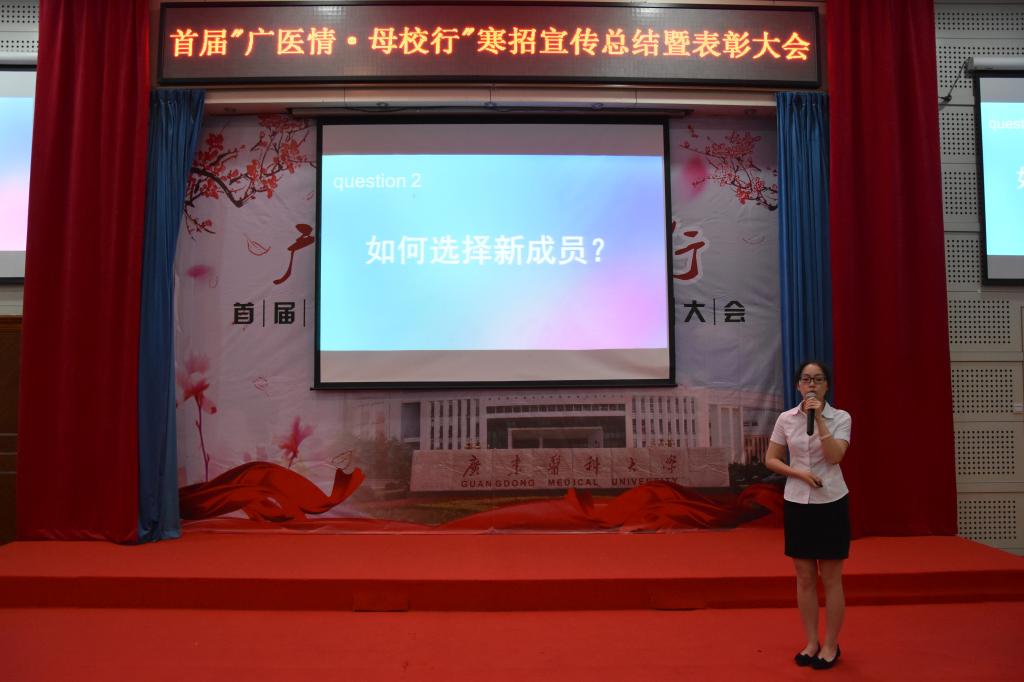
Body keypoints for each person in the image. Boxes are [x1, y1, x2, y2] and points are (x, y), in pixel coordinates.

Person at [764, 360, 851, 670]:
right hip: (798, 502)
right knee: (804, 577)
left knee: (831, 578)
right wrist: (798, 473)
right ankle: (812, 641)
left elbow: (835, 456)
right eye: (806, 379)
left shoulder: (841, 417)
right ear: (798, 385)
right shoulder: (786, 419)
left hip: (831, 501)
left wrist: (821, 422)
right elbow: (771, 459)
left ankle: (831, 645)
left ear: (827, 385)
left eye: (818, 379)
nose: (811, 384)